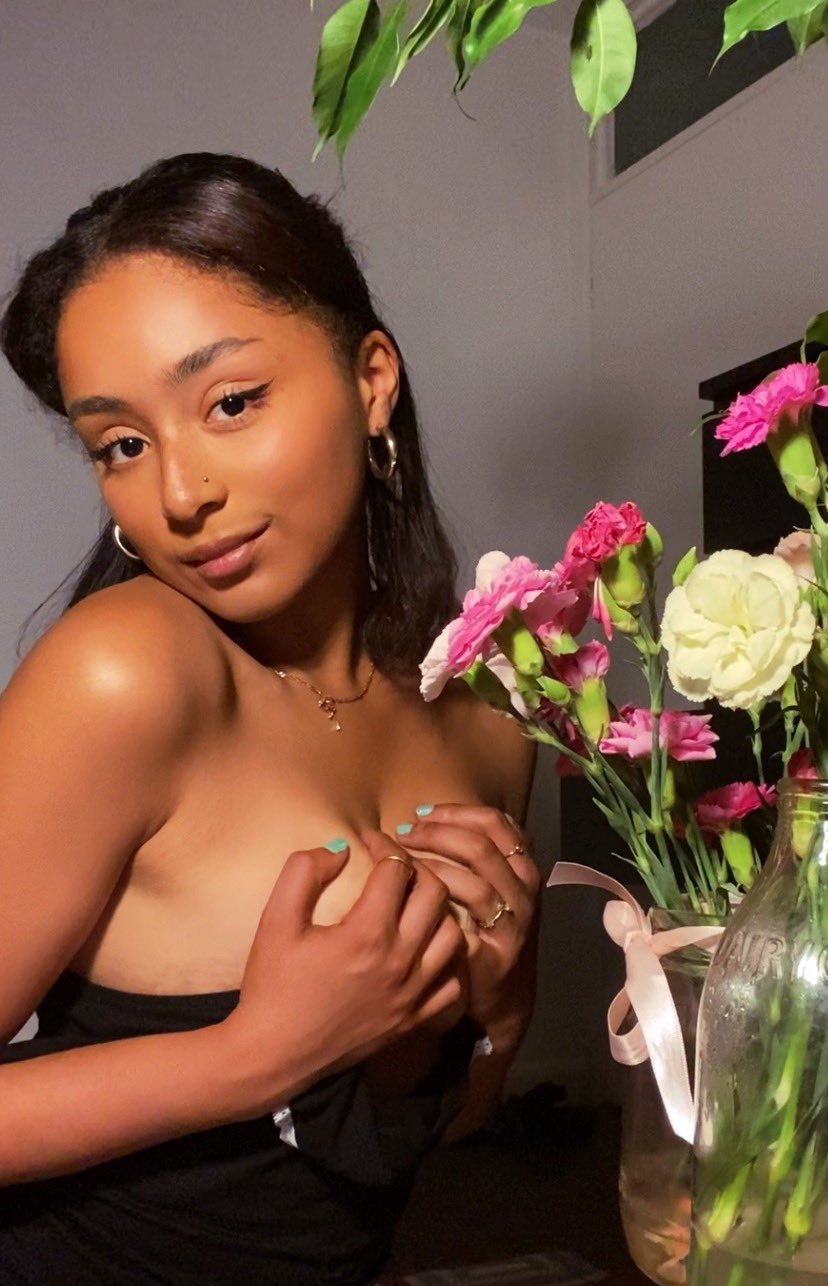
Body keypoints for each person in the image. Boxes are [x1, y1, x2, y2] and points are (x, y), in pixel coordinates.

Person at [0, 152, 541, 1285]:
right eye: (122, 444)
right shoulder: (127, 672)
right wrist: (253, 1055)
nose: (180, 493)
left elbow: (424, 1140)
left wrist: (499, 1007)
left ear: (371, 379)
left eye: (231, 402)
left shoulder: (488, 720)